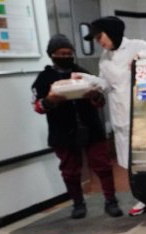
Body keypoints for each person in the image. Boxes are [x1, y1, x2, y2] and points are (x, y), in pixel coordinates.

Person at [85, 16, 146, 216]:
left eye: (101, 37)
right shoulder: (104, 58)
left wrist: (140, 56)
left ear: (112, 32)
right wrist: (89, 83)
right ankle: (141, 198)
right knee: (128, 161)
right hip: (121, 116)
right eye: (97, 39)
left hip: (145, 114)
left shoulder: (135, 46)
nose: (100, 42)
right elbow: (106, 84)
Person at [31, 34, 122, 219]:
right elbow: (38, 107)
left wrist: (94, 96)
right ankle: (78, 204)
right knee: (70, 170)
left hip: (92, 129)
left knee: (103, 166)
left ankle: (111, 202)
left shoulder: (82, 73)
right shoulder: (43, 78)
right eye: (60, 53)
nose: (65, 56)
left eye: (68, 53)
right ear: (51, 54)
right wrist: (50, 100)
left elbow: (101, 101)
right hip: (62, 131)